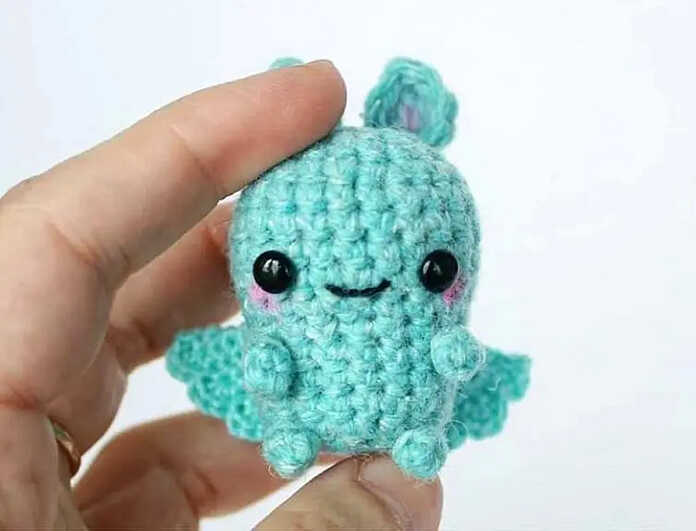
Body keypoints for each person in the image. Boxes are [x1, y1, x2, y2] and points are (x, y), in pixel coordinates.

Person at [0, 60, 442, 529]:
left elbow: (447, 351)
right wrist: (268, 365)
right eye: (277, 274)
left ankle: (398, 436)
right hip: (299, 419)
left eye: (435, 272)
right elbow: (267, 363)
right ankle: (293, 435)